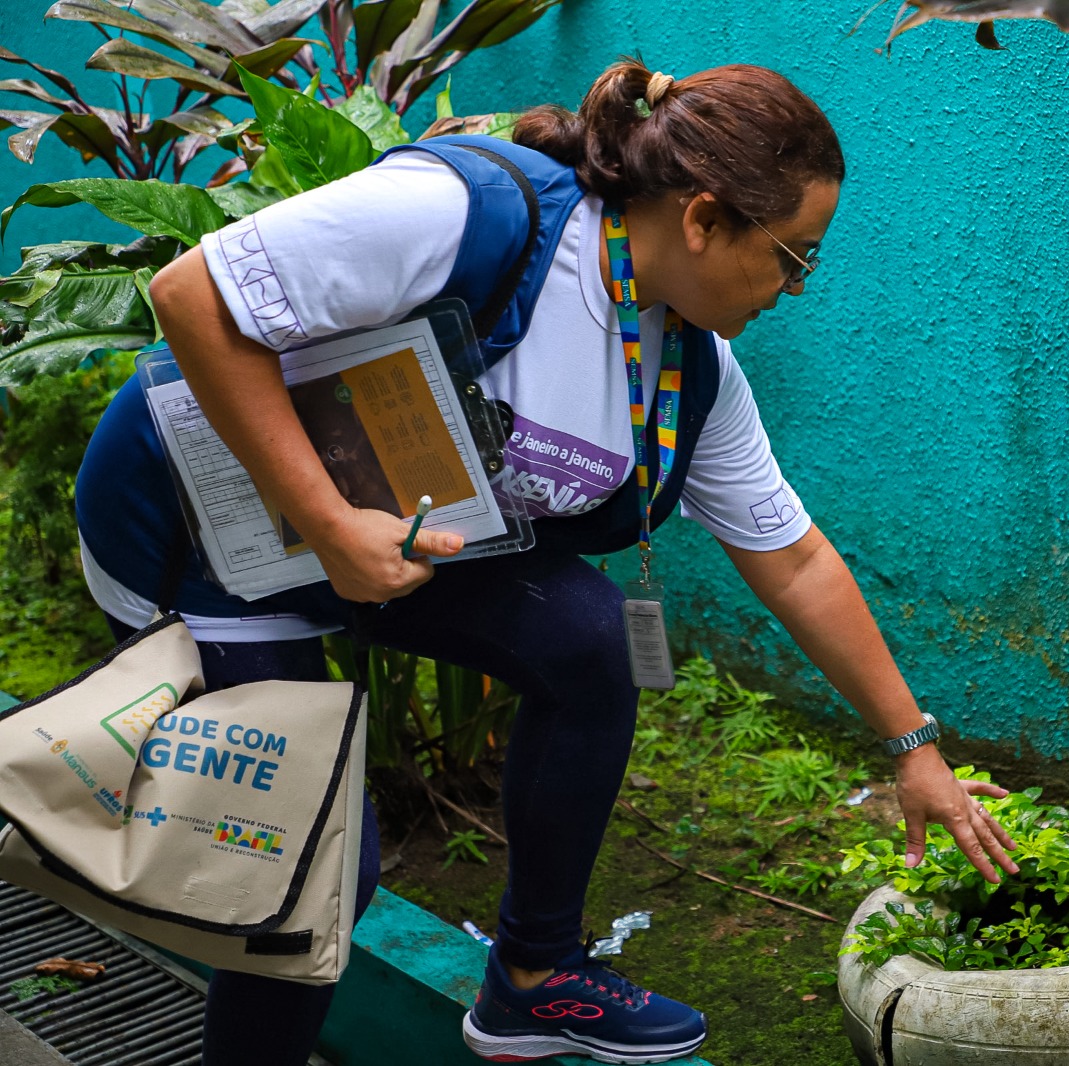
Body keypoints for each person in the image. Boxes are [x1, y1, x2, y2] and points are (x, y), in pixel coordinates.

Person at [74, 59, 1019, 1066]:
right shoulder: (471, 217)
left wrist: (914, 748)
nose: (794, 290)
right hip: (204, 542)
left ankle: (531, 977)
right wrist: (327, 518)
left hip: (386, 548)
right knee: (310, 867)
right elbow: (191, 294)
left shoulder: (686, 368)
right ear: (703, 218)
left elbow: (790, 557)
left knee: (583, 637)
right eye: (794, 258)